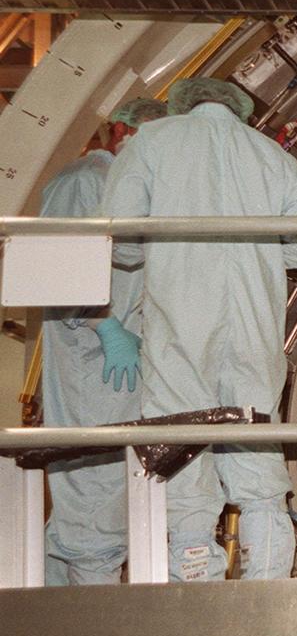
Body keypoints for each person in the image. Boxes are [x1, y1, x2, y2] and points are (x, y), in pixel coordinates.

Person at [101, 77, 297, 582]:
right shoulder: (270, 153)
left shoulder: (151, 143)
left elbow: (119, 233)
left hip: (180, 310)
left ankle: (196, 576)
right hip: (254, 318)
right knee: (253, 438)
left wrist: (147, 255)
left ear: (181, 103)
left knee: (182, 433)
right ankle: (267, 579)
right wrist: (269, 257)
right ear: (241, 110)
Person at [42, 97, 167, 585]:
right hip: (94, 360)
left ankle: (38, 635)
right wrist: (106, 326)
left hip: (115, 366)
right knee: (95, 503)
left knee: (89, 506)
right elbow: (54, 272)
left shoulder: (119, 184)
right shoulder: (82, 182)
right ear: (120, 132)